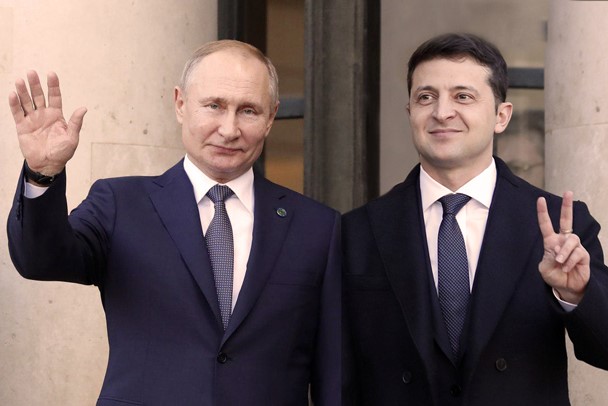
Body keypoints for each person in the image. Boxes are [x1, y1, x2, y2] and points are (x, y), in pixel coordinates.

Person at [7, 40, 340, 406]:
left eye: (248, 110)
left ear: (271, 117)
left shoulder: (318, 228)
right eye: (214, 106)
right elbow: (40, 259)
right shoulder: (121, 204)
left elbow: (333, 373)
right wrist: (43, 174)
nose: (229, 129)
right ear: (180, 104)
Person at [342, 33, 608, 405]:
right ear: (410, 112)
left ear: (501, 116)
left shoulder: (560, 225)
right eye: (426, 97)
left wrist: (576, 294)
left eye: (463, 96)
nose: (442, 112)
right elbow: (339, 371)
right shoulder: (358, 231)